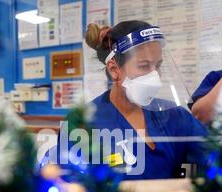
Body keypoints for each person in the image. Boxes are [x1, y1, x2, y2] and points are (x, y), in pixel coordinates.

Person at [44, 20, 207, 180]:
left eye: (157, 66)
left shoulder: (174, 115)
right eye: (144, 66)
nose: (154, 75)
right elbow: (71, 190)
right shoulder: (83, 123)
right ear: (114, 69)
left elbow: (216, 158)